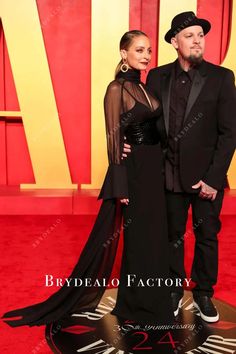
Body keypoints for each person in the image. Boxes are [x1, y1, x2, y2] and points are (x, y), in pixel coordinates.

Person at [1, 30, 174, 327]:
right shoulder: (116, 88)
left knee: (155, 237)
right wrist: (120, 184)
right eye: (139, 50)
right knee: (138, 239)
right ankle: (137, 307)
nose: (146, 55)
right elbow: (113, 138)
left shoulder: (147, 87)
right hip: (134, 173)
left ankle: (153, 301)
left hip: (154, 170)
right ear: (124, 54)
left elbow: (158, 130)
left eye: (148, 50)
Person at [124, 12, 236, 323]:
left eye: (201, 35)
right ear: (175, 42)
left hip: (206, 178)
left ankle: (203, 293)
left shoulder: (222, 77)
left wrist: (214, 178)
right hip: (168, 173)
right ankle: (173, 289)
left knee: (207, 236)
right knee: (171, 236)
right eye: (189, 35)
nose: (197, 40)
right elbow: (146, 122)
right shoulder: (157, 76)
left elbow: (230, 133)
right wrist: (128, 143)